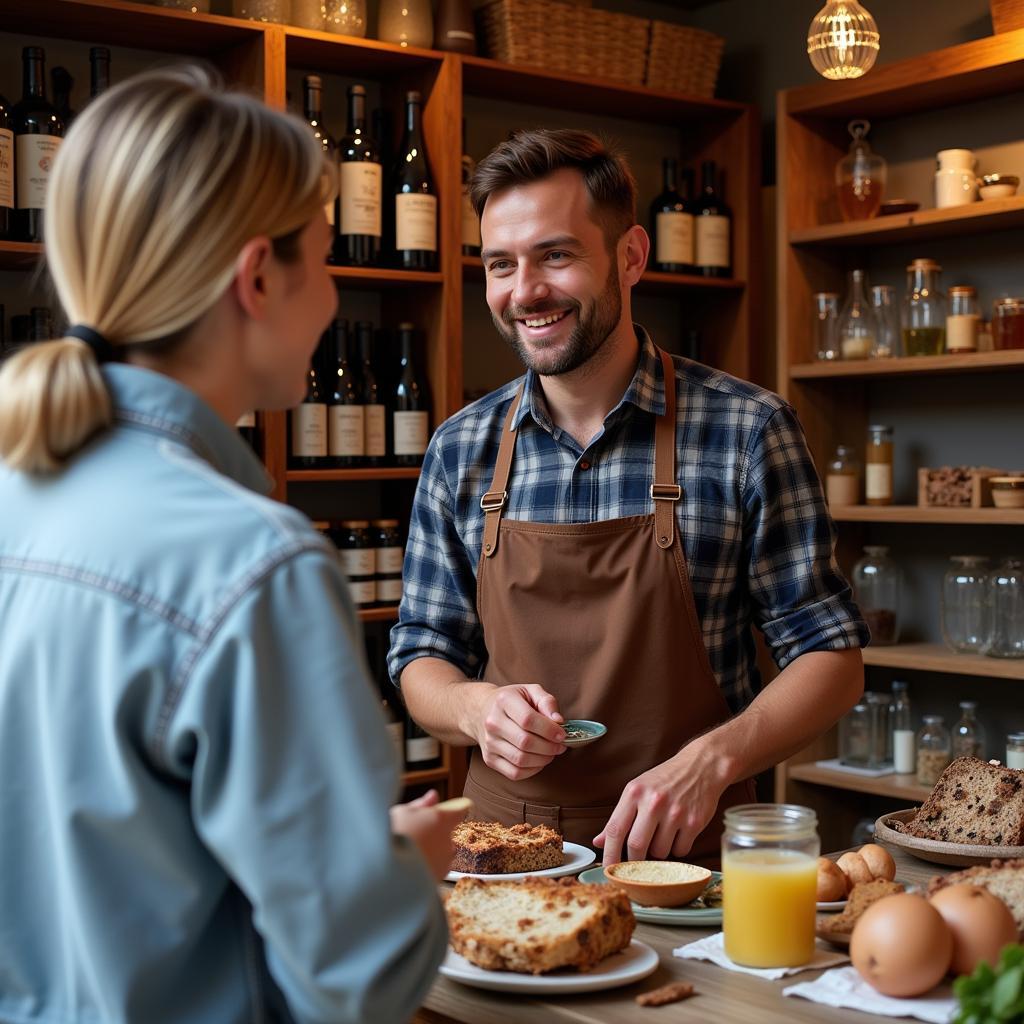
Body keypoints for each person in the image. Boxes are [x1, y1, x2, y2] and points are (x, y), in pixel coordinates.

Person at [0, 68, 458, 1024]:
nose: (333, 299)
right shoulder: (254, 564)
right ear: (258, 277)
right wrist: (404, 870)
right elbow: (356, 973)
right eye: (327, 261)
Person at [389, 129, 868, 868]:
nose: (525, 292)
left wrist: (713, 761)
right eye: (500, 265)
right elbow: (422, 652)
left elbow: (831, 660)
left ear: (631, 256)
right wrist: (475, 708)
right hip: (503, 864)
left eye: (556, 254)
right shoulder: (460, 448)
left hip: (692, 866)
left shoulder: (747, 430)